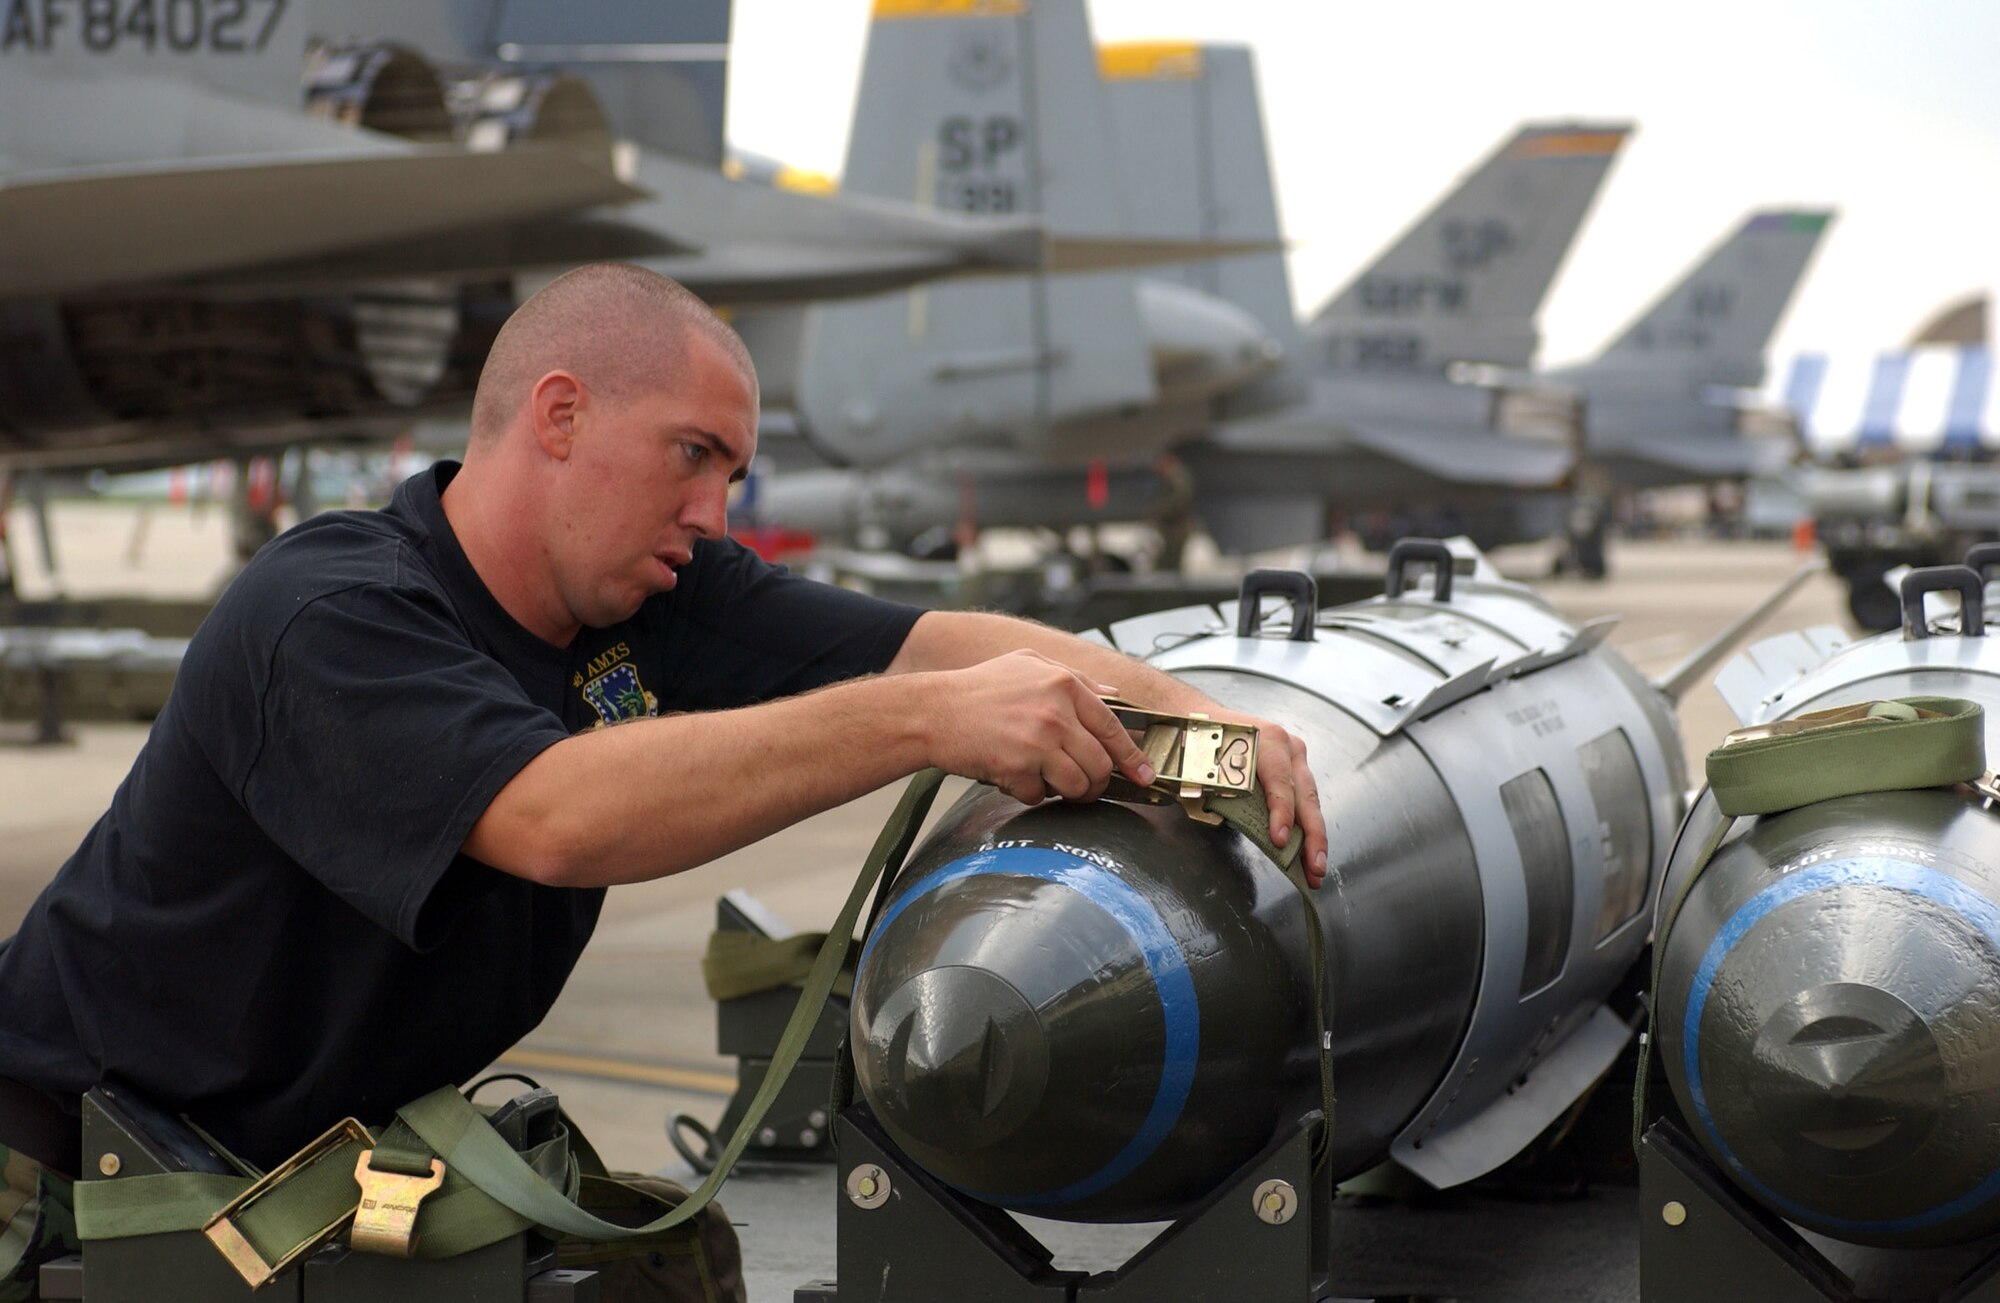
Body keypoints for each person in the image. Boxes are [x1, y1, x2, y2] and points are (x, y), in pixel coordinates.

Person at [0, 264, 1325, 1299]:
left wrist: (1200, 719)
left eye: (734, 473)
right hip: (77, 1195)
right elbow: (562, 816)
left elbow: (945, 644)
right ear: (561, 416)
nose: (716, 513)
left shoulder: (651, 595)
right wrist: (928, 724)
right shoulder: (332, 615)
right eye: (693, 454)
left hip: (270, 1181)